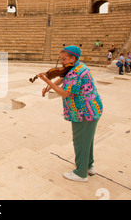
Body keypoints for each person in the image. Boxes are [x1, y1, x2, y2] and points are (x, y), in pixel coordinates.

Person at [40, 45, 103, 182]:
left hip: (84, 112)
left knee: (80, 141)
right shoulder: (78, 66)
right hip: (92, 108)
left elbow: (66, 93)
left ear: (72, 58)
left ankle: (81, 173)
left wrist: (47, 81)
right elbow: (63, 77)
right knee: (87, 140)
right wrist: (48, 86)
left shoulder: (75, 72)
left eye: (63, 59)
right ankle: (89, 166)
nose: (61, 62)